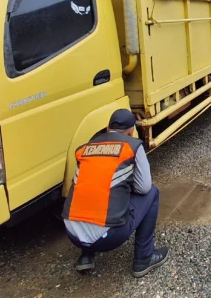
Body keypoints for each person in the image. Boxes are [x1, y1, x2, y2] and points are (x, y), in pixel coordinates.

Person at [62, 109, 169, 278]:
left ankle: (86, 255)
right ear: (131, 131)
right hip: (107, 238)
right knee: (152, 193)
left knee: (91, 190)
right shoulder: (132, 145)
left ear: (107, 128)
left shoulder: (86, 148)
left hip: (72, 233)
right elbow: (144, 187)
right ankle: (144, 258)